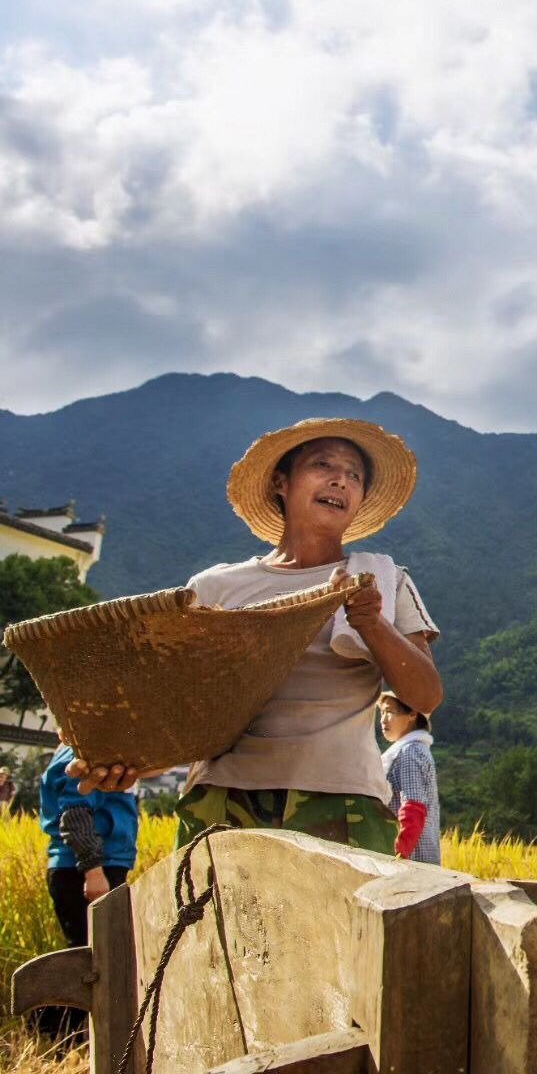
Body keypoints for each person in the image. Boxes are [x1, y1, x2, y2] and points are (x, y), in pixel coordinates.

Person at [71, 419, 442, 855]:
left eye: (354, 475)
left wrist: (373, 624)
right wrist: (127, 762)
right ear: (281, 482)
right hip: (220, 802)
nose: (341, 480)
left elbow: (425, 696)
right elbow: (179, 710)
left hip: (343, 804)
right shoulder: (215, 588)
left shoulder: (383, 579)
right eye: (323, 465)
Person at [38, 739, 139, 1037]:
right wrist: (93, 871)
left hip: (100, 864)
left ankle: (71, 1035)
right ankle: (56, 1034)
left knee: (97, 955)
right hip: (84, 869)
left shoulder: (99, 751)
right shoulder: (82, 754)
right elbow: (75, 815)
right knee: (89, 958)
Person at [378, 690, 441, 865]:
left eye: (389, 712)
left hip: (412, 861)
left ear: (412, 714)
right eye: (382, 712)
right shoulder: (411, 749)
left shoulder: (410, 752)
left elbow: (413, 808)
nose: (383, 719)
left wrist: (399, 853)